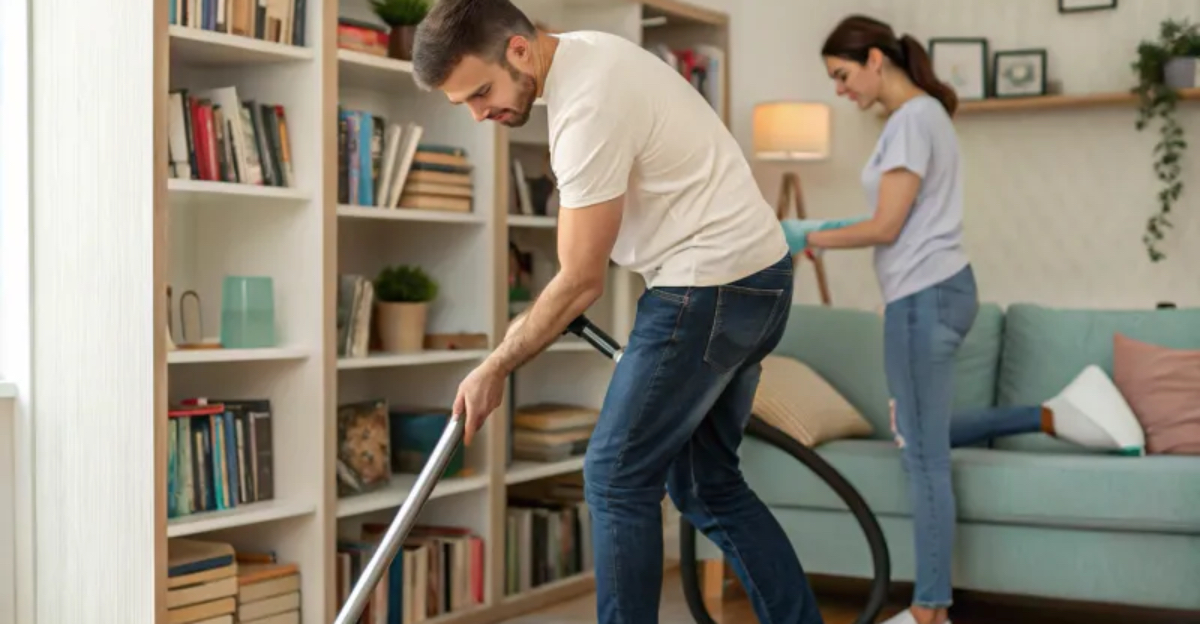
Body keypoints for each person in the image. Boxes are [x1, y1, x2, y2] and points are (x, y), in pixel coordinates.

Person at [410, 1, 823, 623]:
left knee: (613, 477)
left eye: (481, 92)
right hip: (757, 280)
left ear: (519, 50)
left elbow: (579, 281)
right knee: (706, 484)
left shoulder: (587, 104)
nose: (479, 113)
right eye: (463, 103)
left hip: (705, 288)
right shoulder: (589, 56)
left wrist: (495, 365)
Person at [801, 14, 1145, 624]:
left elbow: (886, 226)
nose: (840, 89)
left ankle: (931, 609)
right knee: (919, 434)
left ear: (876, 59)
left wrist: (807, 237)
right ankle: (1049, 415)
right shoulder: (925, 115)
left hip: (924, 299)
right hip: (940, 291)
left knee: (922, 458)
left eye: (842, 74)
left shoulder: (910, 121)